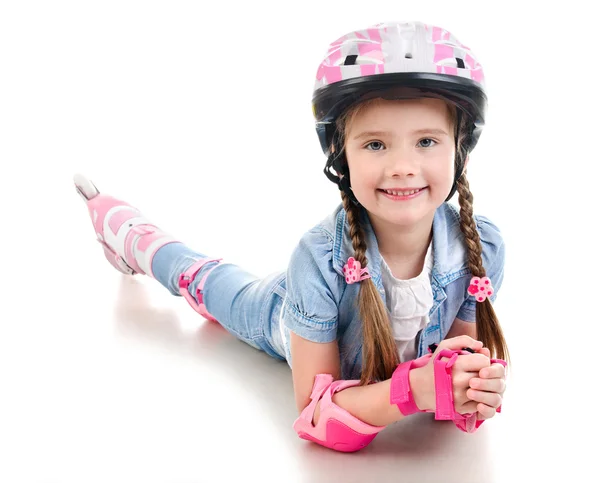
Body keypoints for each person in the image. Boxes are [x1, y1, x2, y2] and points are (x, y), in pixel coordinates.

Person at [74, 20, 509, 453]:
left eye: (427, 141)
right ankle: (131, 235)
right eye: (375, 144)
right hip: (283, 310)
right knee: (206, 282)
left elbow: (453, 358)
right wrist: (411, 390)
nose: (402, 166)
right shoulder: (318, 259)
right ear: (341, 156)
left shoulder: (480, 248)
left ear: (461, 149)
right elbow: (317, 415)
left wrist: (469, 385)